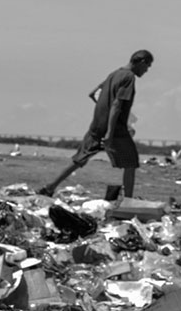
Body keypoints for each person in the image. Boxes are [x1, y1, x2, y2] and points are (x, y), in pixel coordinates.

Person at [38, 50, 154, 199]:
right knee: (131, 163)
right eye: (147, 66)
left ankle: (49, 187)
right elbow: (117, 104)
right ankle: (128, 201)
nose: (146, 70)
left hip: (97, 125)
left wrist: (104, 108)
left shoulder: (115, 74)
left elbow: (93, 94)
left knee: (79, 159)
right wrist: (110, 133)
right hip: (115, 129)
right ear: (141, 62)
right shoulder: (129, 77)